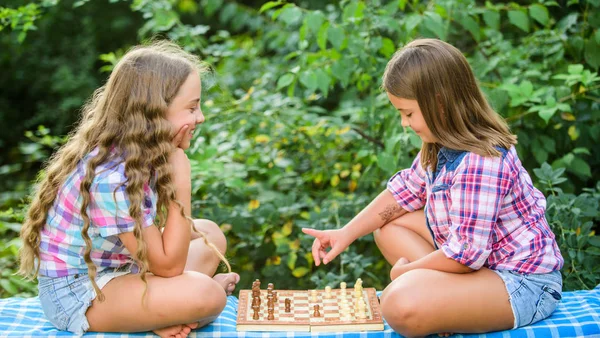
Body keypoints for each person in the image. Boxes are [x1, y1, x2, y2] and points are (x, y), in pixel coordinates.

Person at [302, 38, 564, 337]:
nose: (404, 123)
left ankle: (444, 304)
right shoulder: (440, 145)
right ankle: (449, 303)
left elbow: (465, 255)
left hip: (522, 283)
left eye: (408, 113)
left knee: (399, 303)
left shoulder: (480, 161)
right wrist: (345, 233)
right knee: (389, 226)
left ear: (439, 102)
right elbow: (402, 194)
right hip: (479, 263)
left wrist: (407, 272)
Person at [18, 40, 240, 338]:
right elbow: (168, 267)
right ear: (154, 113)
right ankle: (176, 309)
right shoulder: (111, 178)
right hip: (81, 294)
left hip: (124, 272)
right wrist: (181, 184)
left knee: (209, 233)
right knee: (209, 295)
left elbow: (160, 255)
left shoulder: (137, 157)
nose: (200, 117)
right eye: (191, 107)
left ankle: (167, 311)